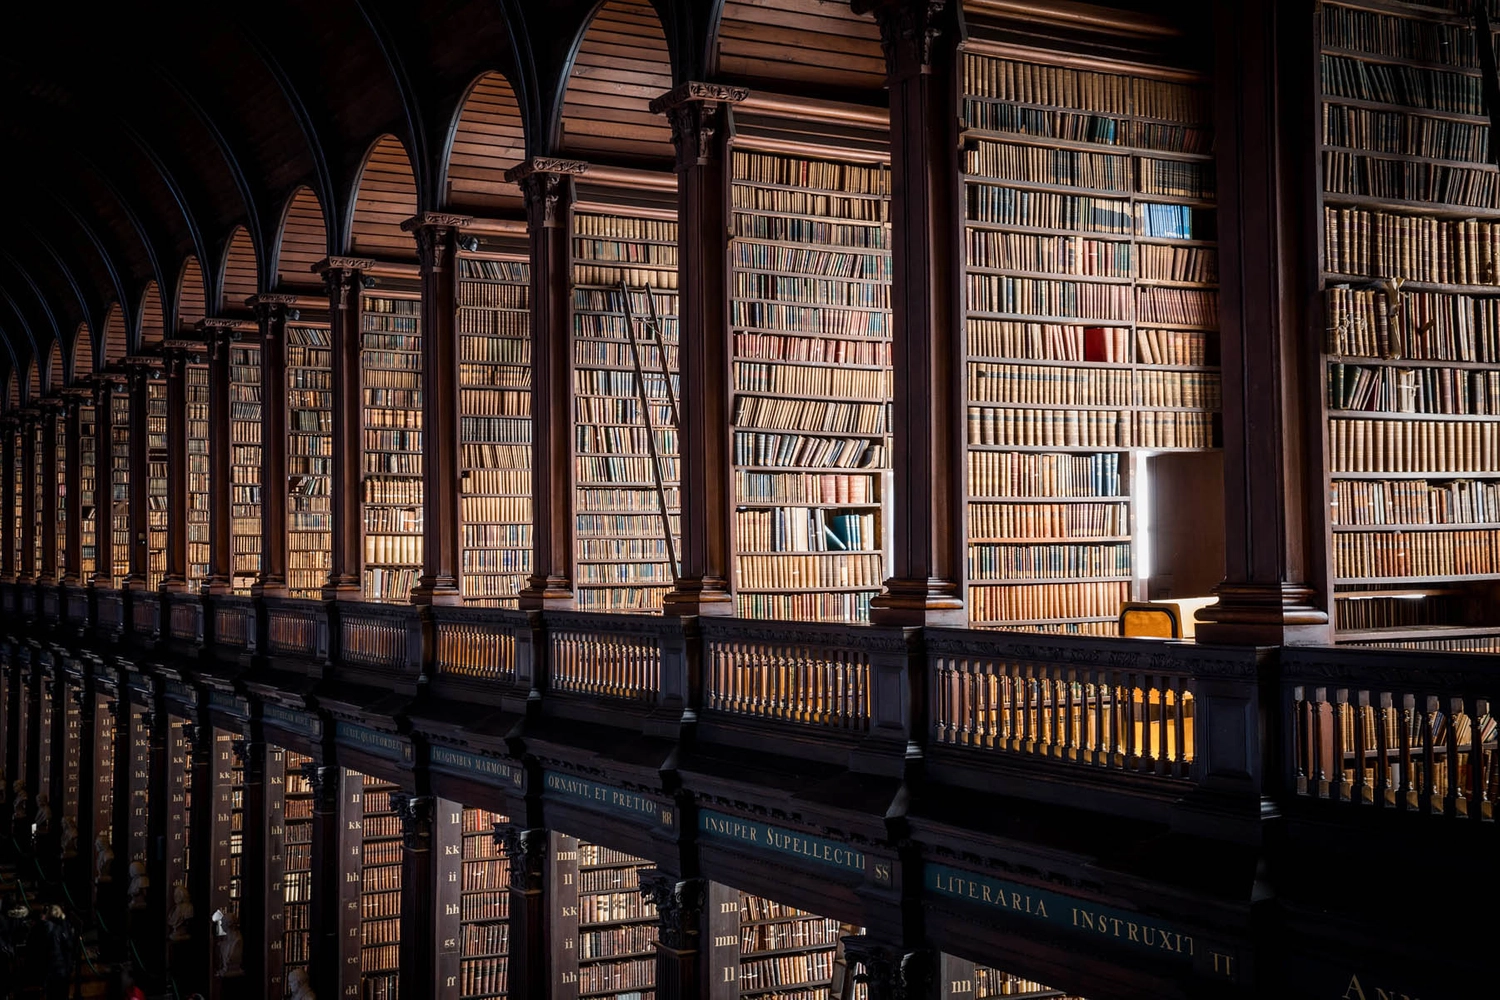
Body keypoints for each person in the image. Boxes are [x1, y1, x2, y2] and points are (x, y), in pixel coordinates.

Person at [36, 905, 76, 1000]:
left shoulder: (43, 928)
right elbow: (69, 947)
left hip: (49, 969)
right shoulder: (63, 928)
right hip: (61, 969)